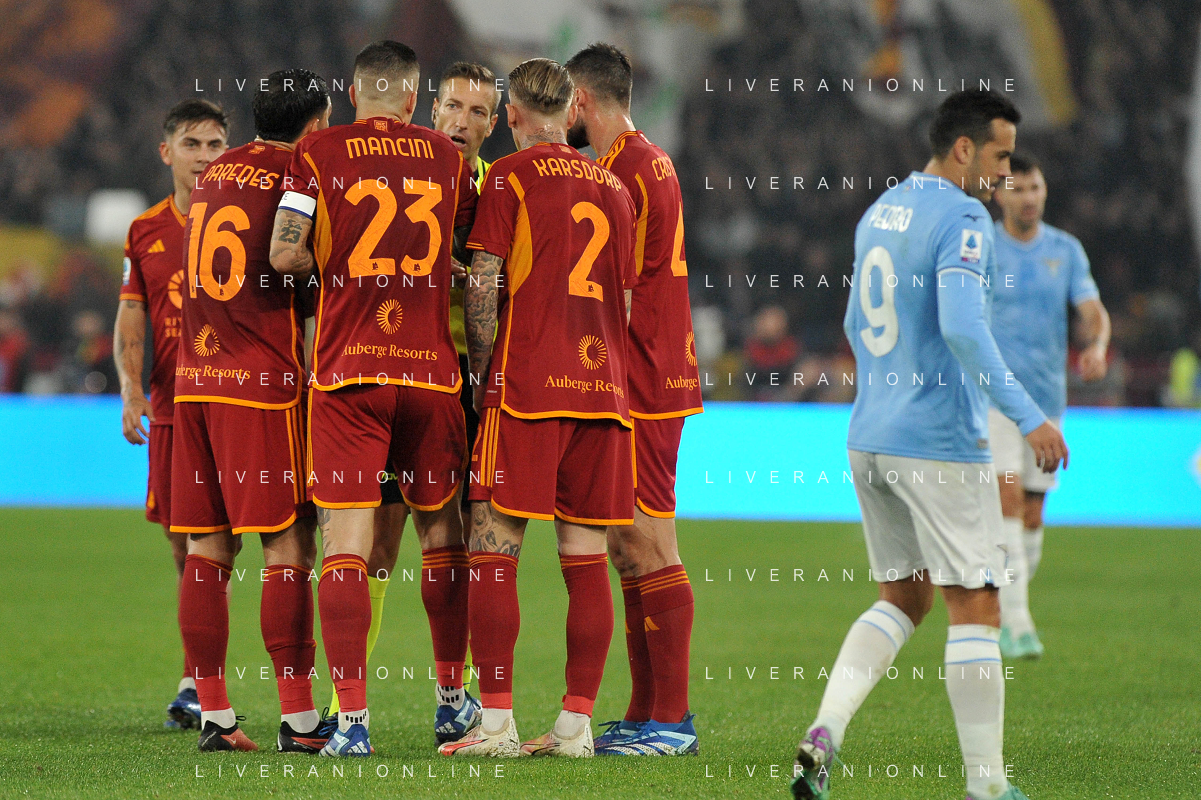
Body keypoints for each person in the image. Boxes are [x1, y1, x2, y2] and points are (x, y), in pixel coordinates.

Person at [791, 90, 1067, 800]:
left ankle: (825, 731)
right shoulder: (964, 218)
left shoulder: (881, 210)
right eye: (1000, 155)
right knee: (976, 606)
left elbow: (853, 326)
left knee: (904, 597)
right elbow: (964, 329)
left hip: (869, 435)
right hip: (938, 440)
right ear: (964, 148)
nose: (1005, 173)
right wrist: (1030, 417)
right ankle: (987, 785)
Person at [270, 40, 479, 758]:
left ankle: (352, 722)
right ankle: (452, 701)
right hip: (431, 375)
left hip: (348, 374)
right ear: (416, 100)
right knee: (443, 538)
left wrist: (337, 269)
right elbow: (464, 249)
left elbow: (284, 253)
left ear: (355, 94)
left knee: (348, 548)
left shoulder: (316, 151)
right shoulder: (448, 159)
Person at [439, 57, 637, 759]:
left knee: (493, 549)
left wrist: (481, 371)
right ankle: (575, 727)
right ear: (571, 110)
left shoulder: (510, 177)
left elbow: (483, 282)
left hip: (526, 389)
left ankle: (495, 725)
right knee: (585, 560)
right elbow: (626, 298)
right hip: (603, 394)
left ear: (513, 115)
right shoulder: (615, 187)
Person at [334, 61, 502, 728]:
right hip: (391, 366)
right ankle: (344, 703)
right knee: (378, 541)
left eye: (478, 112)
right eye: (453, 106)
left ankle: (455, 697)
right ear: (430, 109)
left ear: (493, 124)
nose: (463, 121)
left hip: (463, 383)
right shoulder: (401, 171)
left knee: (461, 536)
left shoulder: (497, 187)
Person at [173, 69, 331, 753]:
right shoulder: (299, 171)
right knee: (288, 545)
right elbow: (289, 259)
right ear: (315, 123)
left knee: (208, 548)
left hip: (194, 379)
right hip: (260, 383)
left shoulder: (215, 174)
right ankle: (299, 720)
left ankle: (214, 712)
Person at [564, 42, 702, 756]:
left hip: (642, 379)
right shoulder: (645, 161)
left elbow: (613, 293)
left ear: (581, 100)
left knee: (649, 541)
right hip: (648, 374)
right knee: (625, 547)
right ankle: (646, 710)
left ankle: (672, 721)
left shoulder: (622, 172)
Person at [113, 99, 228, 730]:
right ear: (167, 153)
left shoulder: (247, 218)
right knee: (186, 547)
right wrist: (131, 390)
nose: (205, 157)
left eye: (216, 144)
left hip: (241, 403)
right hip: (173, 409)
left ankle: (228, 686)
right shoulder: (146, 230)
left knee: (272, 542)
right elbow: (133, 314)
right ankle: (197, 676)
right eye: (192, 144)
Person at [989, 153, 1110, 660]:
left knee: (1032, 513)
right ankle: (1018, 626)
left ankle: (1006, 601)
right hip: (994, 399)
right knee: (1007, 499)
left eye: (1035, 187)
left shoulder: (1065, 249)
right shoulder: (981, 246)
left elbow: (1092, 310)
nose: (1029, 197)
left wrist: (1096, 345)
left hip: (1047, 401)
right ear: (999, 194)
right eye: (1018, 189)